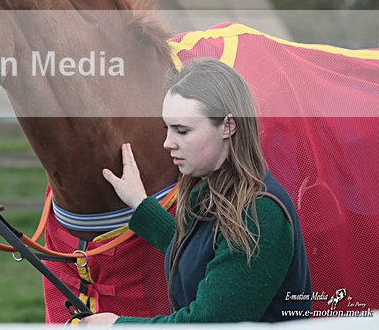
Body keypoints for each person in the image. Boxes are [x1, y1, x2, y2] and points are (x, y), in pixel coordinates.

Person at [82, 58, 312, 325]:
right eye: (166, 128)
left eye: (182, 130)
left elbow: (209, 322)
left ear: (228, 126)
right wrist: (141, 203)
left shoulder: (260, 213)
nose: (168, 143)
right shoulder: (211, 189)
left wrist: (115, 326)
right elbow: (197, 255)